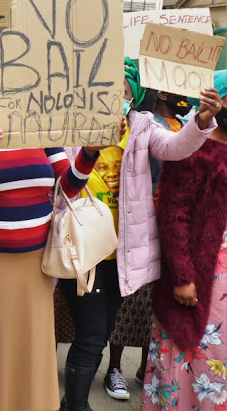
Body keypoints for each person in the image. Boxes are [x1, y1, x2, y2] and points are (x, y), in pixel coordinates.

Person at [0, 45, 108, 410]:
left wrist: (89, 153)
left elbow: (68, 188)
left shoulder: (37, 130)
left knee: (27, 348)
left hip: (33, 263)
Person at [57, 59, 220, 411]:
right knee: (91, 334)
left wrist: (202, 120)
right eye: (108, 90)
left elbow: (176, 147)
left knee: (99, 332)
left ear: (135, 96)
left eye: (124, 91)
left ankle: (71, 401)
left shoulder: (142, 125)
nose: (116, 98)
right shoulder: (71, 126)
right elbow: (61, 188)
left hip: (123, 255)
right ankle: (75, 406)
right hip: (83, 248)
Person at [141, 69, 227, 410]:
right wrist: (182, 278)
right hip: (202, 277)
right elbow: (173, 214)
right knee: (193, 358)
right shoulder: (192, 146)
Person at [104, 81, 194, 400]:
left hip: (168, 229)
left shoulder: (182, 127)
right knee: (128, 300)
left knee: (151, 305)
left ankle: (146, 367)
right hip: (142, 224)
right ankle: (114, 368)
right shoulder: (144, 128)